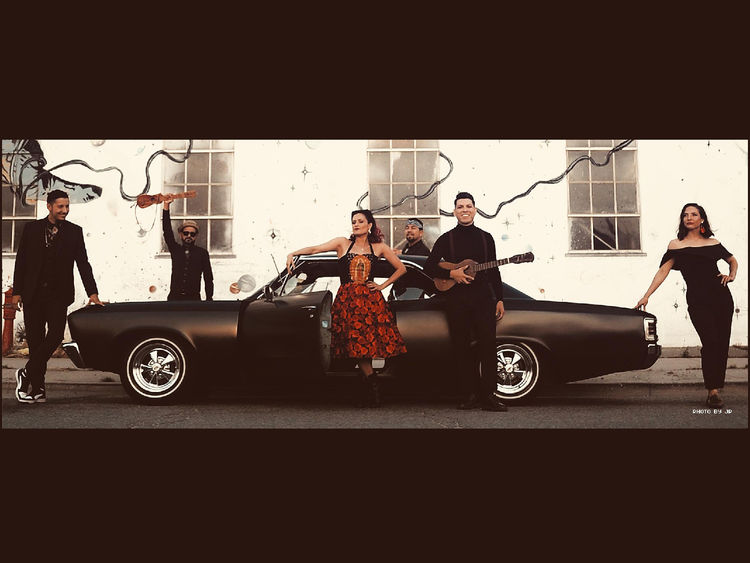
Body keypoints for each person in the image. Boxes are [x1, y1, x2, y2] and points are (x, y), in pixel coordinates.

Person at [286, 209, 408, 407]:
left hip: (370, 301)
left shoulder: (379, 247)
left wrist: (381, 286)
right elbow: (316, 249)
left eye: (360, 221)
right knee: (354, 345)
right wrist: (294, 252)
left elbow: (401, 268)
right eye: (353, 221)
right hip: (348, 300)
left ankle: (371, 387)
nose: (356, 224)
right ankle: (371, 385)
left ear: (369, 225)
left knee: (366, 345)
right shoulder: (342, 243)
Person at [635, 203, 738, 409]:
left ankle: (715, 390)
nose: (689, 217)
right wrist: (646, 296)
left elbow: (732, 260)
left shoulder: (713, 242)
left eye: (694, 214)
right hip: (698, 300)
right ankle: (712, 388)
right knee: (710, 341)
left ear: (702, 220)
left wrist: (732, 275)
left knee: (720, 343)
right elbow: (662, 272)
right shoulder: (676, 245)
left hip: (721, 297)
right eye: (685, 215)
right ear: (682, 220)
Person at [12, 189, 103, 404]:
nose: (65, 210)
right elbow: (21, 261)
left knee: (55, 336)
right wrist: (17, 292)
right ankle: (38, 389)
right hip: (33, 293)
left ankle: (25, 373)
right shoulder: (32, 229)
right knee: (35, 342)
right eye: (60, 206)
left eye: (67, 206)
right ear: (49, 206)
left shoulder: (74, 231)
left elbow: (83, 263)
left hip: (58, 295)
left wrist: (93, 292)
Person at [424, 192, 508, 412]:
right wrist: (452, 275)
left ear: (475, 209)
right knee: (461, 347)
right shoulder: (446, 238)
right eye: (460, 206)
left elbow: (494, 270)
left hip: (483, 299)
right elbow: (429, 266)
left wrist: (499, 298)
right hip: (456, 300)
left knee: (488, 346)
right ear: (454, 212)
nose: (464, 210)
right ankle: (469, 395)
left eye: (468, 206)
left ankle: (489, 395)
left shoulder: (485, 237)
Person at [162, 196, 214, 301]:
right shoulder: (175, 250)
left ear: (196, 236)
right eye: (186, 233)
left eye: (192, 234)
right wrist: (166, 206)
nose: (189, 236)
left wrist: (209, 299)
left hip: (193, 299)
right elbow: (167, 231)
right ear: (181, 235)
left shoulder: (202, 253)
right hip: (174, 298)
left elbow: (208, 278)